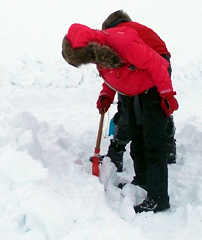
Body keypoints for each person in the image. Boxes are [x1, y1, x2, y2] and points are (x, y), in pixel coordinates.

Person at [62, 23, 179, 213]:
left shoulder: (121, 44)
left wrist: (167, 94)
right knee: (138, 139)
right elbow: (115, 75)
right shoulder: (101, 53)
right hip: (137, 92)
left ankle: (159, 198)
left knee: (153, 144)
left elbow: (158, 64)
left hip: (153, 91)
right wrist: (106, 95)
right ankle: (143, 182)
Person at [99, 10, 177, 172]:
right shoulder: (138, 29)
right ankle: (169, 147)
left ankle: (116, 153)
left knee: (127, 109)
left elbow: (114, 72)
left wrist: (107, 95)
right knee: (160, 109)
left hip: (145, 67)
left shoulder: (117, 35)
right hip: (162, 66)